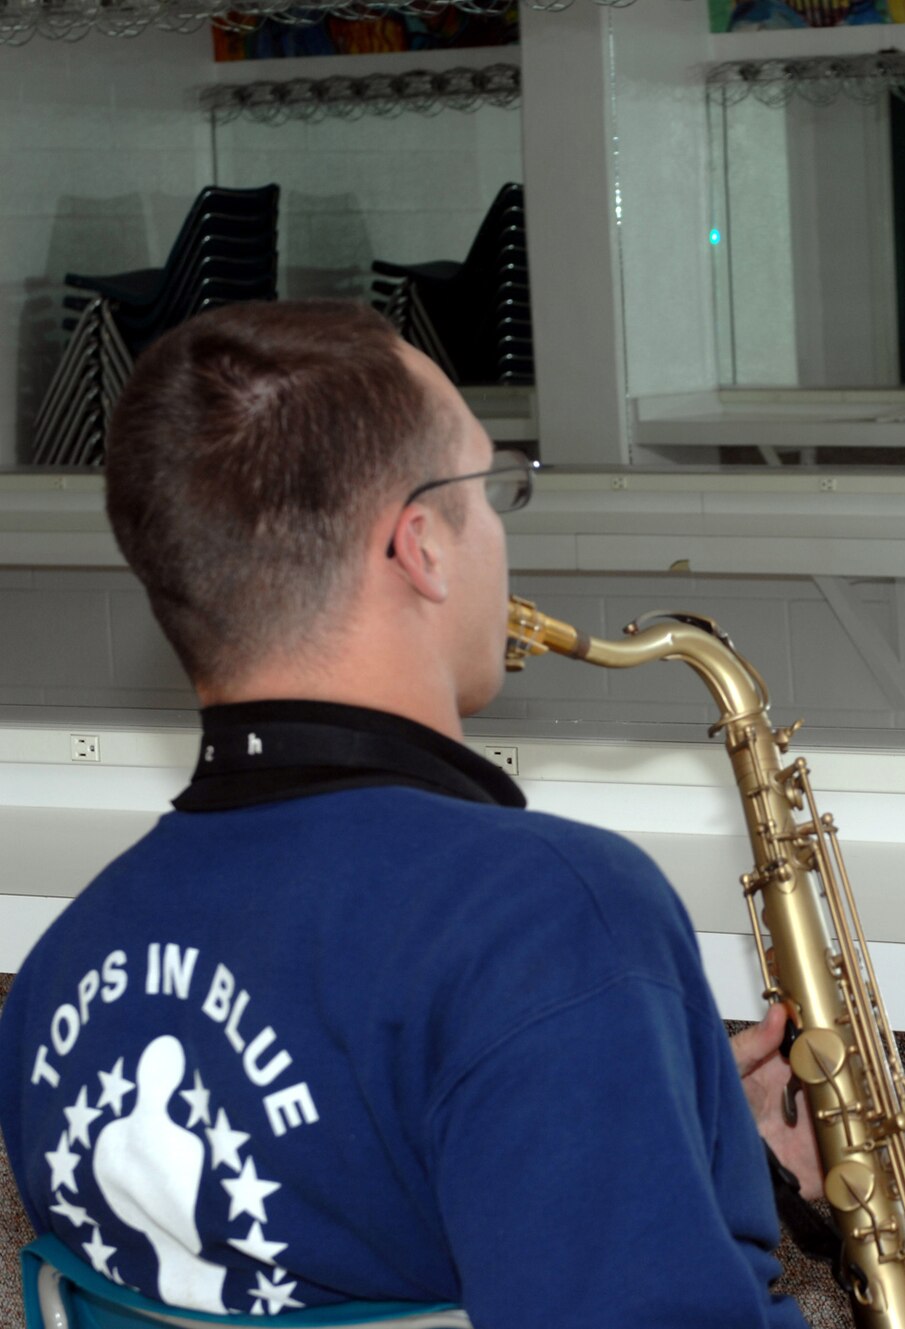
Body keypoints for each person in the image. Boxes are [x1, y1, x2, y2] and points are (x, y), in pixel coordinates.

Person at [0, 301, 819, 1324]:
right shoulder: (547, 919)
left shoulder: (63, 973)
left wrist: (653, 1138)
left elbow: (330, 1237)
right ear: (421, 545)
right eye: (489, 492)